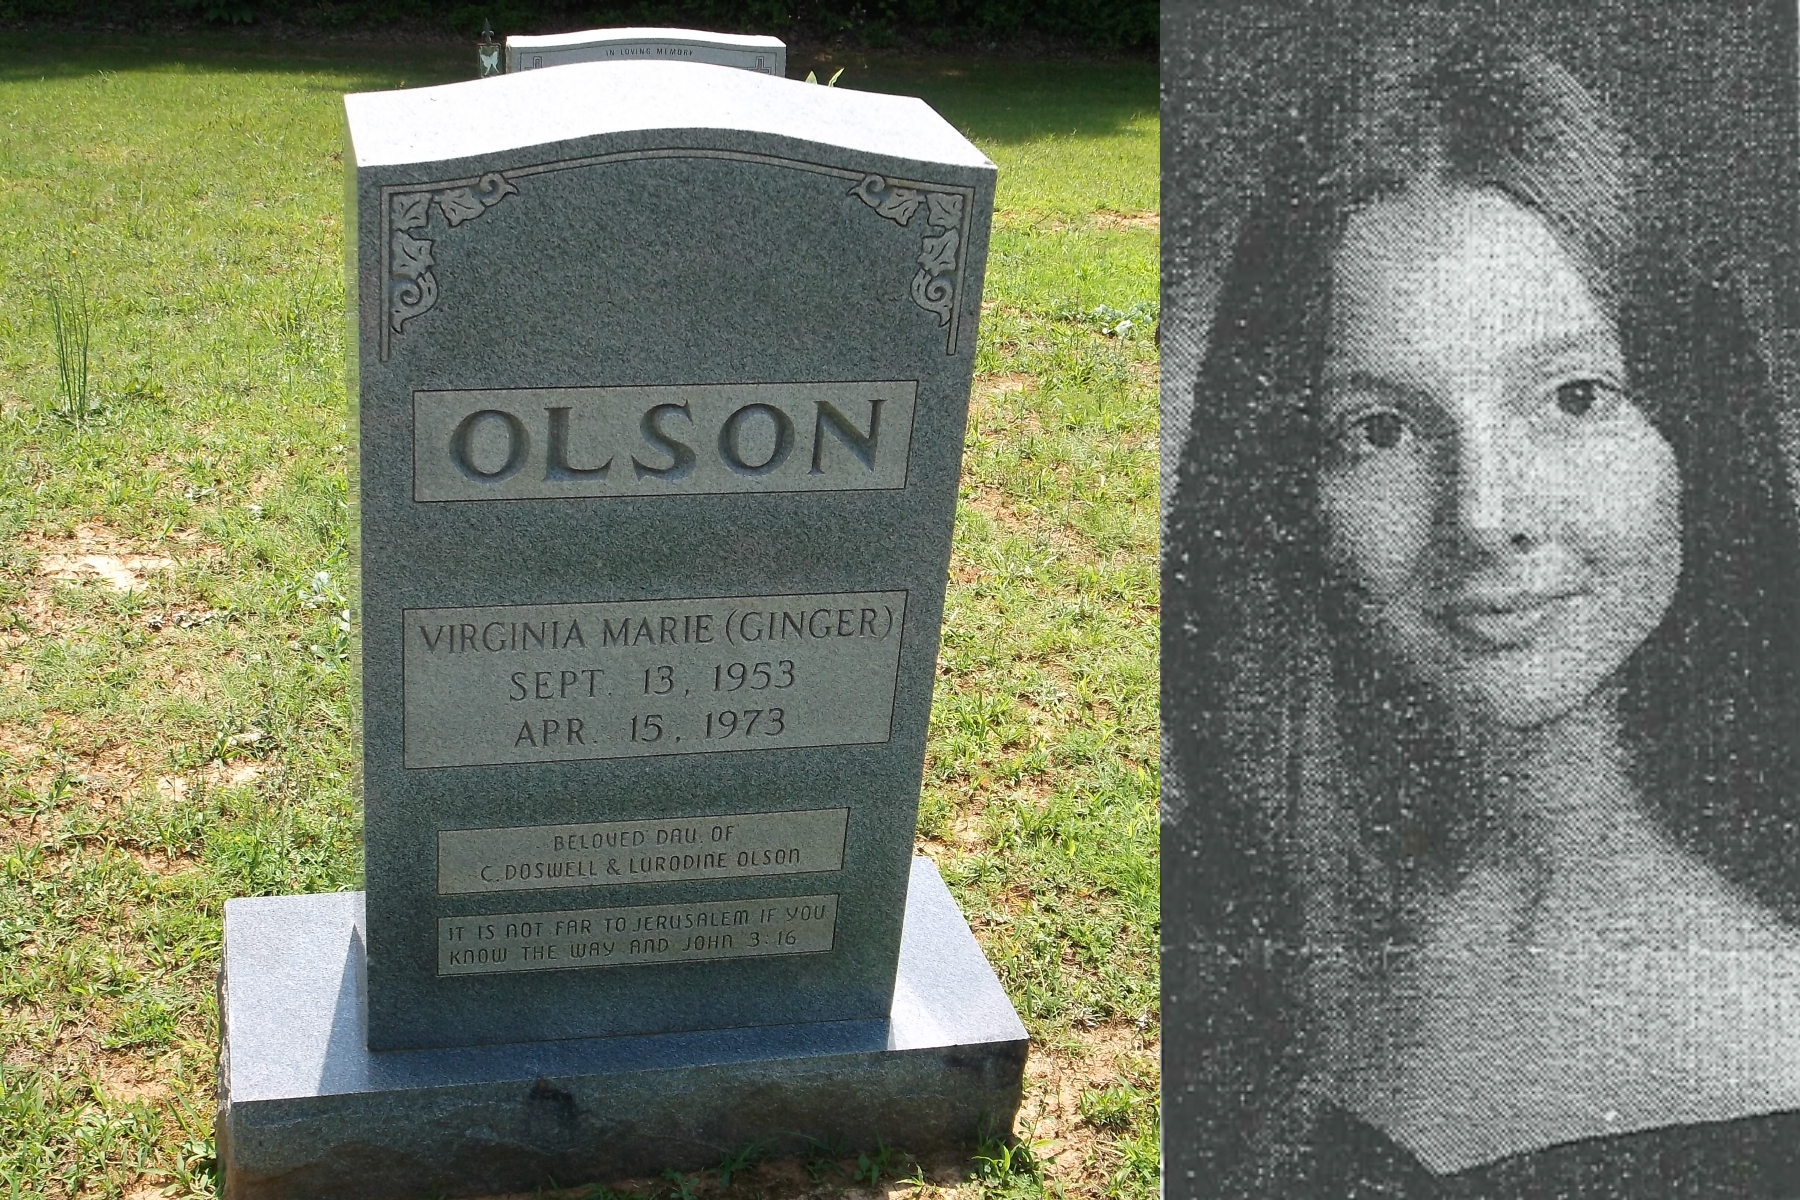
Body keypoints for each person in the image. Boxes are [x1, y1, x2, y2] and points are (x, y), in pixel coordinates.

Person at [1163, 19, 1800, 1197]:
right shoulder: (1209, 938)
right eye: (1383, 429)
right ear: (1284, 489)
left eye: (1572, 396)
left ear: (1697, 429)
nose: (1482, 516)